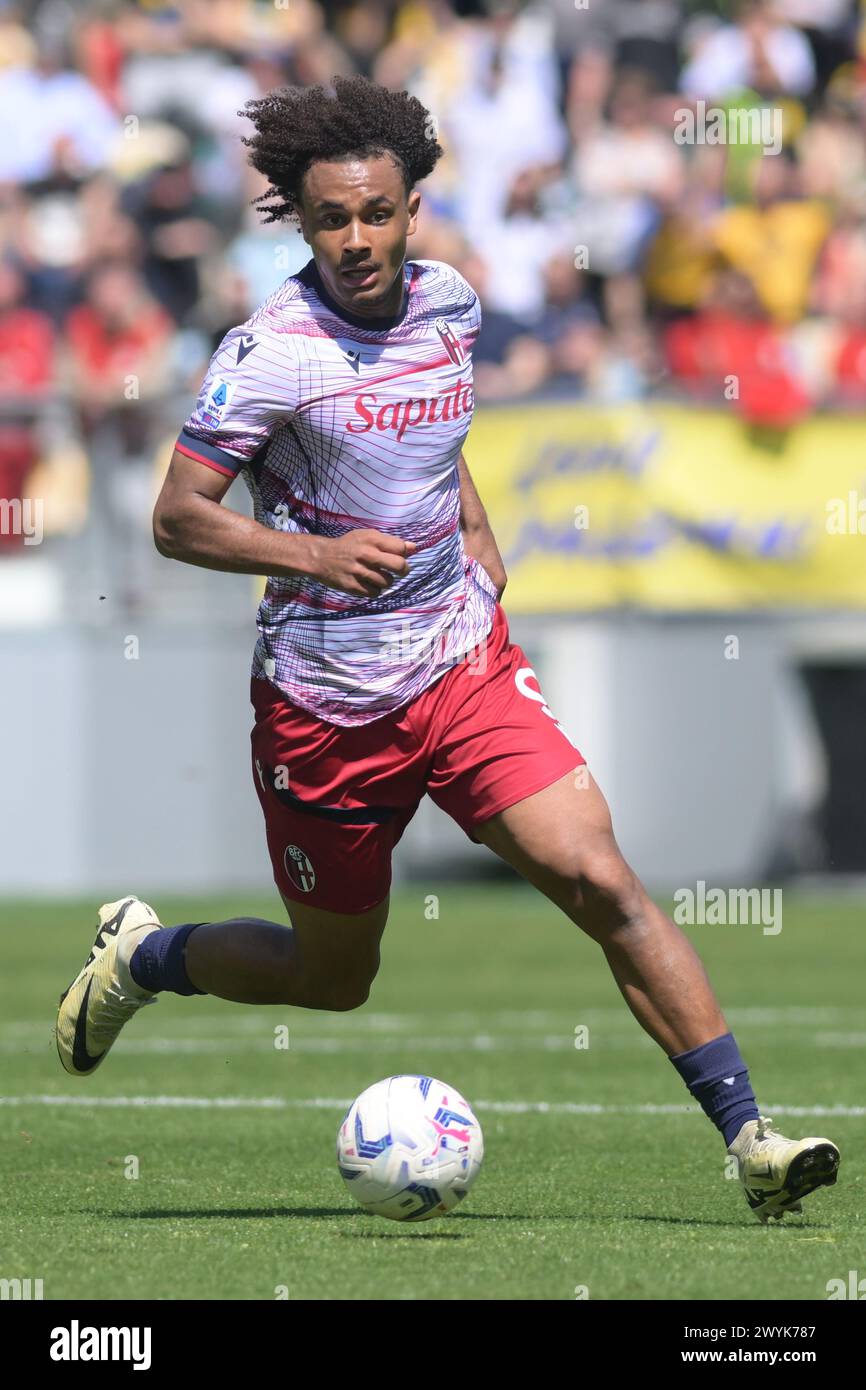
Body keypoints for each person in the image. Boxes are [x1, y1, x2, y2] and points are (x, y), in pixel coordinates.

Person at [55, 75, 840, 1224]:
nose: (357, 239)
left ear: (411, 205)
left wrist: (472, 524)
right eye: (332, 219)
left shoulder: (453, 305)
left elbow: (435, 439)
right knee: (334, 981)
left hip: (460, 663)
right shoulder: (271, 350)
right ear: (301, 219)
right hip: (326, 708)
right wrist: (313, 558)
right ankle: (146, 958)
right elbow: (177, 515)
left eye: (377, 212)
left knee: (601, 880)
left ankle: (752, 1139)